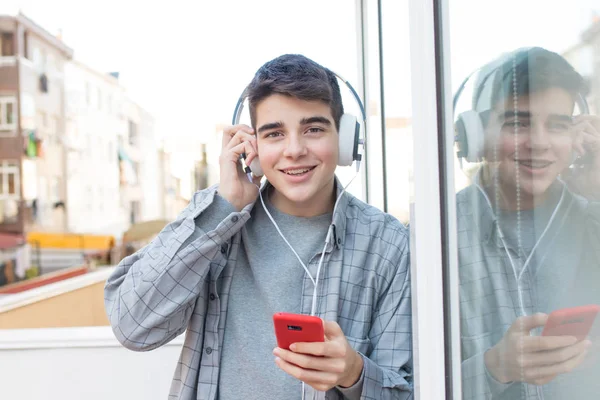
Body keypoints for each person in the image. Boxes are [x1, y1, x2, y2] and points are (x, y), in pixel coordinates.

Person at [104, 54, 413, 400]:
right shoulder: (216, 221)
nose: (294, 150)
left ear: (344, 139)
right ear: (251, 145)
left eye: (313, 129)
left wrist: (354, 372)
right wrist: (224, 206)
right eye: (275, 133)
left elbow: (405, 392)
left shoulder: (389, 244)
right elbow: (132, 325)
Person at [454, 47, 600, 399]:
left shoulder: (591, 219)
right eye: (517, 123)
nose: (539, 142)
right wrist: (493, 368)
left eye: (558, 125)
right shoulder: (436, 236)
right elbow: (403, 385)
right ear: (475, 136)